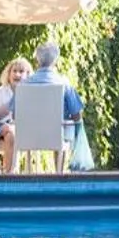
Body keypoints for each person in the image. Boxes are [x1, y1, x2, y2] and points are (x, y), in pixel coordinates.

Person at [23, 43, 93, 172]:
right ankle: (59, 171)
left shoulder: (24, 84)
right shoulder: (63, 83)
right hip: (57, 134)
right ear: (55, 60)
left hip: (28, 135)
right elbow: (76, 114)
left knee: (60, 127)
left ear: (37, 60)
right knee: (67, 127)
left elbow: (16, 113)